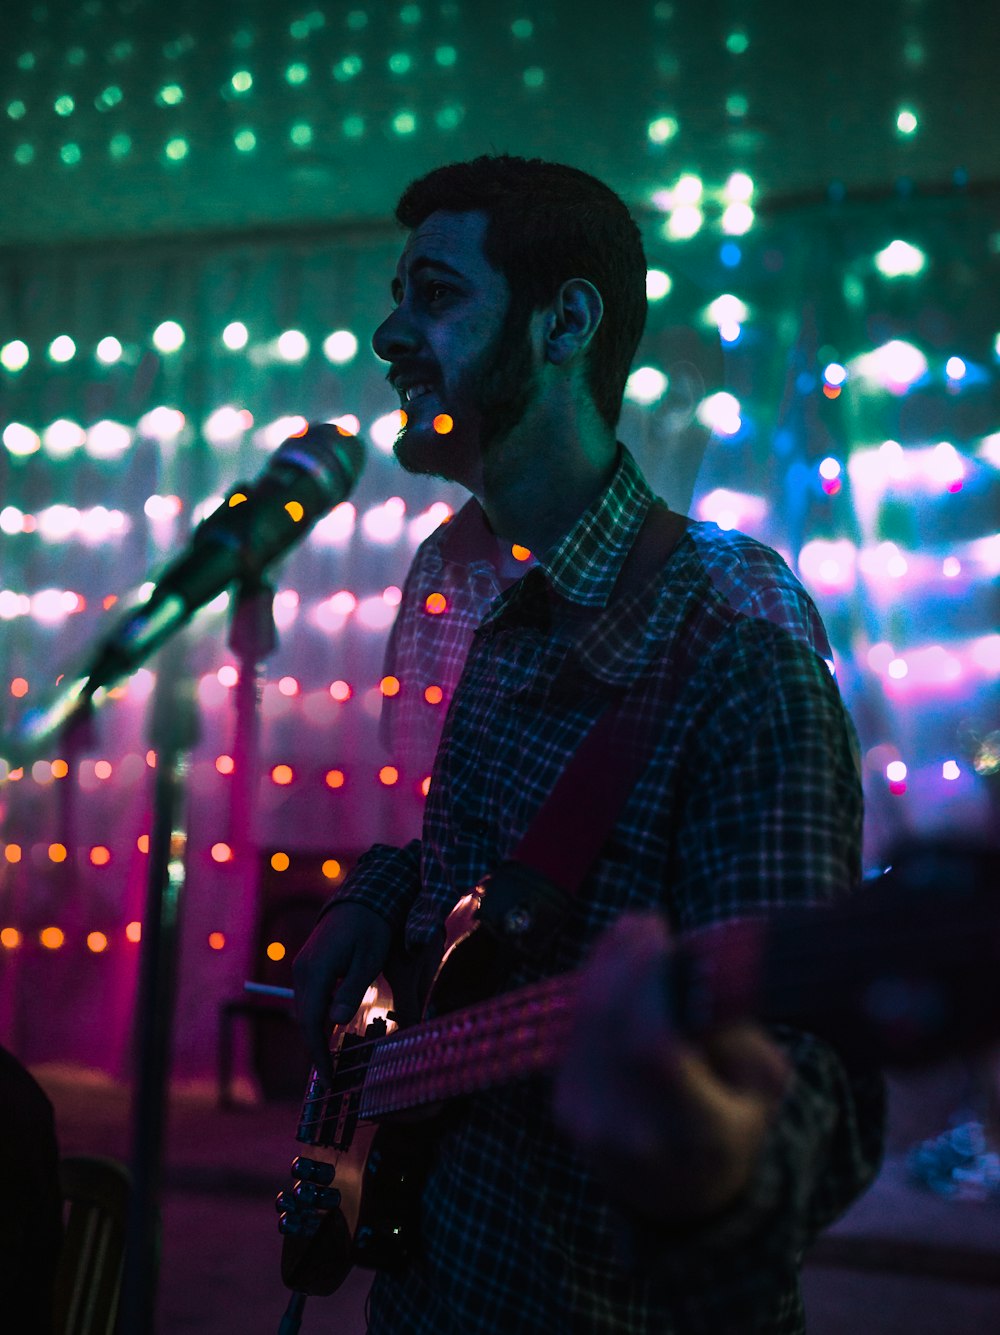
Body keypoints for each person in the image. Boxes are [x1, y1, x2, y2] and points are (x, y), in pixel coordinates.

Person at [293, 155, 884, 1333]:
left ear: (564, 320)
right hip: (426, 1281)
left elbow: (815, 1079)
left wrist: (713, 1156)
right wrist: (371, 898)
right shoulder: (457, 581)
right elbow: (462, 857)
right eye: (397, 294)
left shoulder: (731, 632)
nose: (387, 333)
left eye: (435, 295)